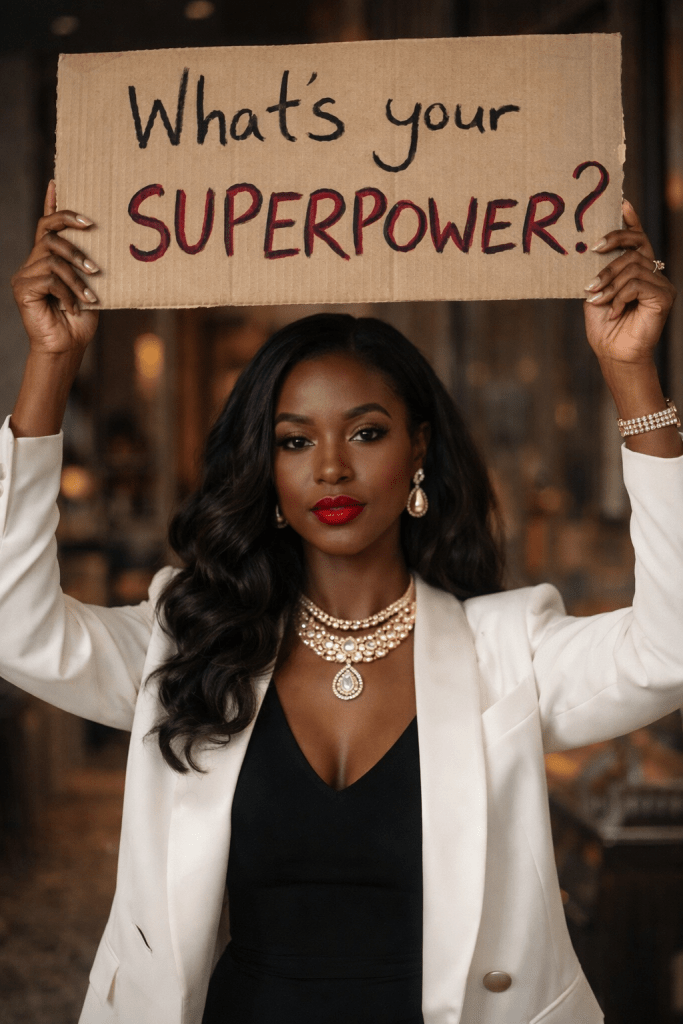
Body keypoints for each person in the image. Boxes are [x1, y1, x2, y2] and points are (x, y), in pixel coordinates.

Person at [2, 179, 682, 1024]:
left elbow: (672, 649)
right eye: (294, 441)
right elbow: (19, 631)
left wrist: (631, 377)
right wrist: (50, 366)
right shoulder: (193, 643)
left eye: (365, 432)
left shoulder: (504, 648)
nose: (330, 468)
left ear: (417, 448)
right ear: (267, 467)